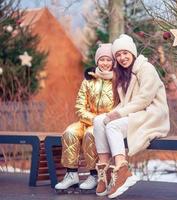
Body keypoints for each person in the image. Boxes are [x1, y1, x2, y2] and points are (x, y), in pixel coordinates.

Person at [93, 34, 170, 198]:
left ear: (133, 53)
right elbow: (126, 102)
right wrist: (111, 113)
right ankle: (105, 170)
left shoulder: (146, 68)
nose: (122, 57)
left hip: (151, 114)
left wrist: (118, 114)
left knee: (113, 125)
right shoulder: (123, 74)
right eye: (118, 55)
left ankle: (122, 170)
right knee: (99, 121)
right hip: (135, 113)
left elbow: (144, 99)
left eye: (125, 53)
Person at [55, 43, 115, 192]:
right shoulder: (89, 80)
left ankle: (94, 175)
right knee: (69, 132)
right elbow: (79, 106)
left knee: (90, 134)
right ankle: (71, 174)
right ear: (97, 61)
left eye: (108, 60)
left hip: (105, 122)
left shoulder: (116, 81)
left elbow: (117, 107)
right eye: (102, 60)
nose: (105, 63)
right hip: (86, 120)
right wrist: (92, 118)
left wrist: (100, 120)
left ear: (113, 62)